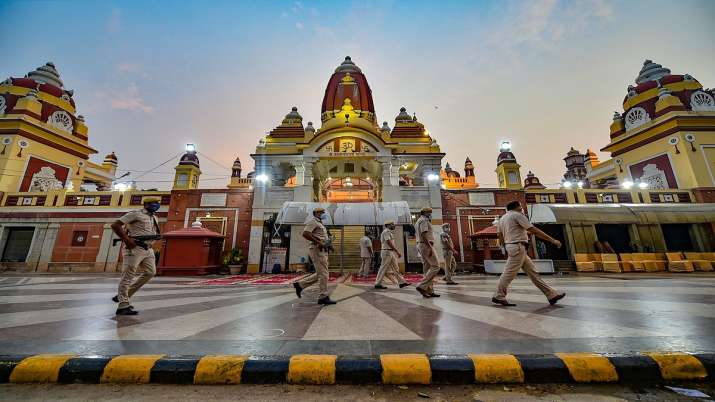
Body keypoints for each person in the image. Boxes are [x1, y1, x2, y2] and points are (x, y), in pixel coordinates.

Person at [492, 200, 565, 307]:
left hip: (514, 247)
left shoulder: (503, 218)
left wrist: (504, 247)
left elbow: (500, 235)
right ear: (517, 207)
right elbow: (533, 229)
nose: (522, 209)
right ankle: (499, 295)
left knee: (533, 273)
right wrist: (552, 240)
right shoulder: (518, 215)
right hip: (518, 246)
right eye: (521, 207)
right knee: (509, 273)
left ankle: (551, 295)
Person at [110, 197, 162, 316]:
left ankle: (122, 296)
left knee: (150, 272)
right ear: (146, 204)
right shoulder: (135, 214)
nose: (156, 205)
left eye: (157, 203)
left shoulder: (154, 217)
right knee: (128, 276)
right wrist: (127, 240)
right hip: (134, 248)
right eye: (154, 203)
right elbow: (115, 225)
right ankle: (123, 306)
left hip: (147, 248)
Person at [293, 207, 336, 305]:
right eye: (322, 212)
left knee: (321, 273)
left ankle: (300, 285)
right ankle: (323, 296)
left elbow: (322, 238)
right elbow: (305, 234)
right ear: (316, 213)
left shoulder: (320, 223)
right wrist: (319, 243)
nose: (324, 214)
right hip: (317, 250)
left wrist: (329, 245)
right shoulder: (313, 222)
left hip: (322, 250)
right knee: (324, 274)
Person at [374, 221, 411, 289]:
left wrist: (395, 251)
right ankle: (377, 284)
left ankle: (402, 282)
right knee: (383, 268)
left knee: (396, 268)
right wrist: (397, 251)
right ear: (388, 225)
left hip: (390, 252)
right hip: (387, 252)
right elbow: (389, 243)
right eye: (392, 224)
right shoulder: (386, 232)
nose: (394, 225)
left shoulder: (389, 232)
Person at [415, 207, 441, 298]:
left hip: (422, 245)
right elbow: (423, 234)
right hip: (426, 245)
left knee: (427, 268)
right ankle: (421, 286)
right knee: (436, 266)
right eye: (430, 212)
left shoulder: (419, 220)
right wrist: (430, 247)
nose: (431, 214)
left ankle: (429, 290)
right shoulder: (424, 220)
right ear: (425, 212)